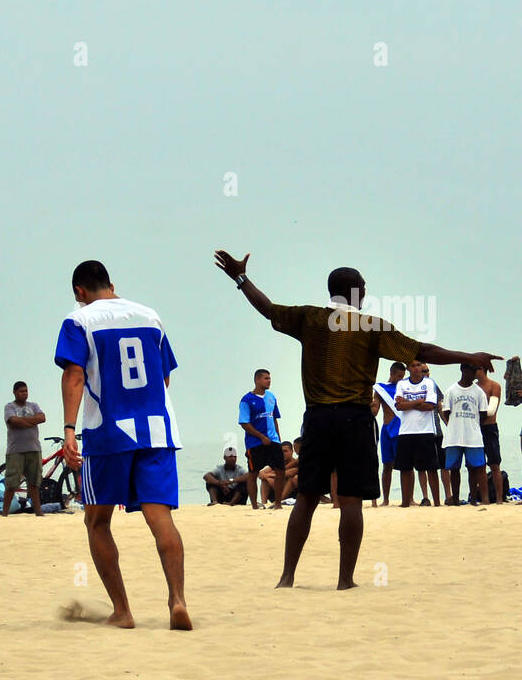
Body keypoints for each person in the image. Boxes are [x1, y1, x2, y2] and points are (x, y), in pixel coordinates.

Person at [214, 249, 500, 588]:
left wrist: (241, 278)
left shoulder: (310, 318)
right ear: (358, 292)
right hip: (355, 420)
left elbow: (268, 309)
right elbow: (423, 351)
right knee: (350, 501)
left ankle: (287, 577)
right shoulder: (371, 327)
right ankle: (344, 580)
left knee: (305, 498)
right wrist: (470, 356)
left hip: (318, 419)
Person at [54, 260, 191, 630]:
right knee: (160, 516)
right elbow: (164, 378)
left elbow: (75, 374)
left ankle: (122, 611)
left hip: (108, 433)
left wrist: (69, 430)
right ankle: (177, 600)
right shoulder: (150, 316)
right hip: (157, 431)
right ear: (112, 285)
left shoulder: (79, 320)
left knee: (97, 520)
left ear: (80, 292)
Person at [393, 361, 441, 508]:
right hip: (406, 431)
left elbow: (429, 406)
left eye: (419, 365)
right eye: (414, 366)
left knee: (431, 468)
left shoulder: (428, 383)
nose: (417, 368)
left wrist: (409, 402)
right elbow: (399, 405)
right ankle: (405, 502)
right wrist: (417, 402)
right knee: (405, 468)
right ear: (408, 368)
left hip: (425, 431)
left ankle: (437, 502)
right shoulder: (402, 384)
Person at [442, 363, 489, 505]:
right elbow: (446, 412)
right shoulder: (451, 390)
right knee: (454, 468)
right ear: (463, 370)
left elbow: (483, 414)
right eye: (471, 370)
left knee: (474, 468)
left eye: (476, 370)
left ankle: (474, 498)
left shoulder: (479, 392)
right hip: (454, 436)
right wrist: (455, 425)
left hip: (473, 436)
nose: (474, 373)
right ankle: (455, 498)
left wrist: (473, 426)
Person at [239, 369, 285, 511]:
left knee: (280, 470)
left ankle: (278, 503)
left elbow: (274, 418)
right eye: (266, 378)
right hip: (255, 443)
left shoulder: (271, 397)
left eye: (270, 378)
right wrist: (261, 437)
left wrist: (278, 437)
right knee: (253, 472)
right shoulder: (246, 400)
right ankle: (254, 505)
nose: (269, 381)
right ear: (257, 380)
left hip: (273, 441)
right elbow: (244, 423)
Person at [3, 381, 46, 517]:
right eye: (21, 391)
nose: (24, 394)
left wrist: (24, 422)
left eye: (26, 391)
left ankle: (38, 513)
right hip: (16, 450)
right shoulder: (9, 407)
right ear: (15, 392)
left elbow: (42, 417)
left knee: (34, 483)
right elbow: (14, 422)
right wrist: (32, 420)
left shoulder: (33, 405)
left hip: (34, 449)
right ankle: (4, 514)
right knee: (11, 484)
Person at [371, 362, 406, 505]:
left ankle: (408, 498)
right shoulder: (381, 388)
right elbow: (375, 410)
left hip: (402, 428)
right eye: (399, 376)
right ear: (392, 373)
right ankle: (385, 499)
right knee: (387, 465)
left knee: (405, 466)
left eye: (403, 376)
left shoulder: (404, 387)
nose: (401, 379)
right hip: (387, 428)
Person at [420, 362, 452, 505]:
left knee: (444, 465)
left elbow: (440, 406)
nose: (427, 373)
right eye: (424, 371)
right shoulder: (410, 386)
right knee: (423, 466)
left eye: (428, 371)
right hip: (421, 432)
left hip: (437, 431)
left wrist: (449, 427)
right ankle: (426, 497)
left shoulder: (433, 384)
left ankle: (448, 495)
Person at [475, 364, 503, 503]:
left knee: (494, 464)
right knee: (478, 465)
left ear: (482, 369)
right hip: (475, 428)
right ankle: (483, 498)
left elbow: (492, 410)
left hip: (489, 427)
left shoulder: (494, 386)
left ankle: (499, 499)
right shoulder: (472, 387)